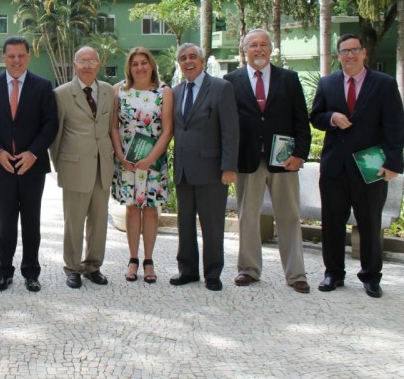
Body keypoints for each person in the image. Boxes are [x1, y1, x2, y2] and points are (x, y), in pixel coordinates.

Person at [310, 33, 404, 298]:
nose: (349, 55)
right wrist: (331, 117)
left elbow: (395, 127)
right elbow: (315, 116)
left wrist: (394, 163)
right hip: (334, 168)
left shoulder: (384, 84)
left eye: (354, 50)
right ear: (338, 55)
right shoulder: (327, 83)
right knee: (332, 222)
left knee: (370, 223)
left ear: (363, 53)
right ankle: (333, 274)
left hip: (370, 166)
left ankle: (371, 276)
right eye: (344, 51)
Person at [224, 29, 311, 294]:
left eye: (263, 45)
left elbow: (301, 121)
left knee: (289, 216)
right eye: (253, 45)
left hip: (283, 161)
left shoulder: (289, 79)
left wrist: (300, 155)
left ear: (271, 49)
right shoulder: (231, 81)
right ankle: (248, 269)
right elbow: (227, 125)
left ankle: (296, 274)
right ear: (244, 51)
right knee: (247, 217)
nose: (258, 49)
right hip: (247, 160)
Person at [0, 36, 58, 292]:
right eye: (11, 56)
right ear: (4, 58)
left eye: (21, 55)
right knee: (6, 221)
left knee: (31, 221)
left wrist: (33, 153)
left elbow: (51, 123)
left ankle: (31, 272)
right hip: (4, 165)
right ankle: (4, 271)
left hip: (32, 166)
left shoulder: (43, 86)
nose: (16, 60)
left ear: (28, 57)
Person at [170, 43, 238, 291]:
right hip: (184, 170)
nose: (188, 62)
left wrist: (229, 167)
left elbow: (231, 130)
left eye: (192, 57)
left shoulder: (221, 88)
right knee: (184, 223)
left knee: (212, 224)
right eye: (183, 58)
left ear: (202, 61)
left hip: (211, 170)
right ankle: (187, 270)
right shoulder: (175, 92)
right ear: (179, 63)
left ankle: (212, 273)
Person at [50, 46, 115, 289]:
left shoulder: (109, 91)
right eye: (82, 61)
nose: (87, 65)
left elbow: (111, 128)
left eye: (92, 61)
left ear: (98, 64)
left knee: (99, 222)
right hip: (75, 166)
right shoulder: (62, 94)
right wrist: (61, 165)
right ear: (74, 65)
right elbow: (55, 135)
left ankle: (93, 266)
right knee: (74, 222)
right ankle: (72, 268)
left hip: (102, 166)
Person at [110, 47, 173, 284]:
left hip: (153, 162)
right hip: (127, 161)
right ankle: (132, 258)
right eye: (134, 63)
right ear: (129, 67)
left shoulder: (164, 92)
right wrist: (119, 154)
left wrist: (150, 159)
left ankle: (149, 260)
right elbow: (114, 126)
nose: (139, 67)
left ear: (151, 65)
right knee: (131, 207)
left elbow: (168, 130)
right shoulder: (119, 91)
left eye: (143, 63)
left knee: (149, 208)